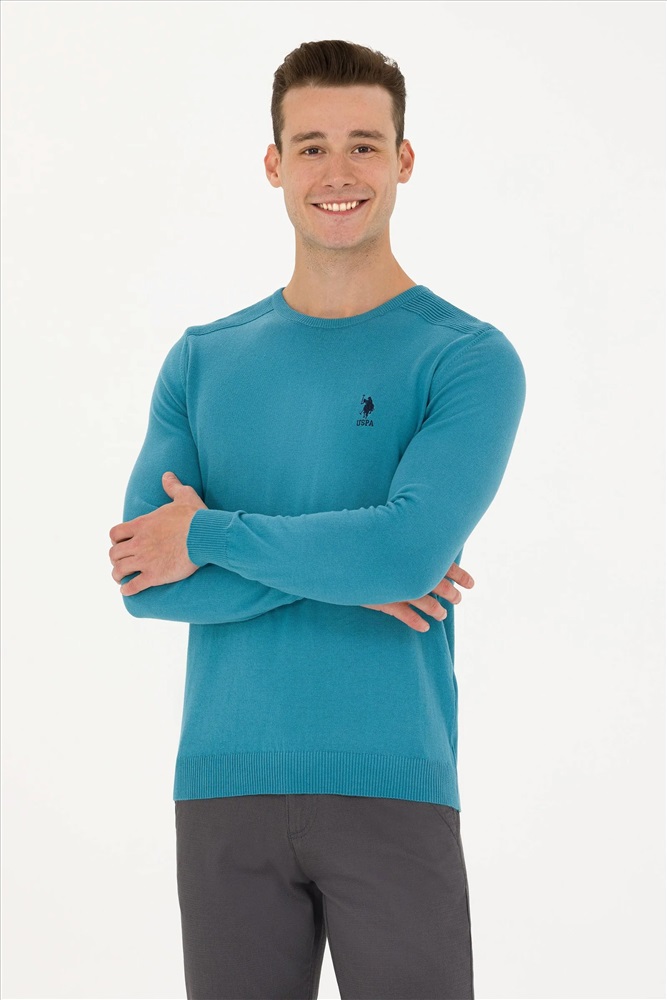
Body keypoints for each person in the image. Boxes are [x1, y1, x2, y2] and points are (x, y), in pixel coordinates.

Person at [108, 38, 526, 1000]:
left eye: (363, 145)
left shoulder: (465, 358)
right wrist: (353, 570)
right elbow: (140, 580)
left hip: (392, 782)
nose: (338, 172)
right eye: (311, 147)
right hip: (221, 788)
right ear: (274, 164)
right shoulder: (202, 360)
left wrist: (208, 535)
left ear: (403, 159)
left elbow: (405, 554)